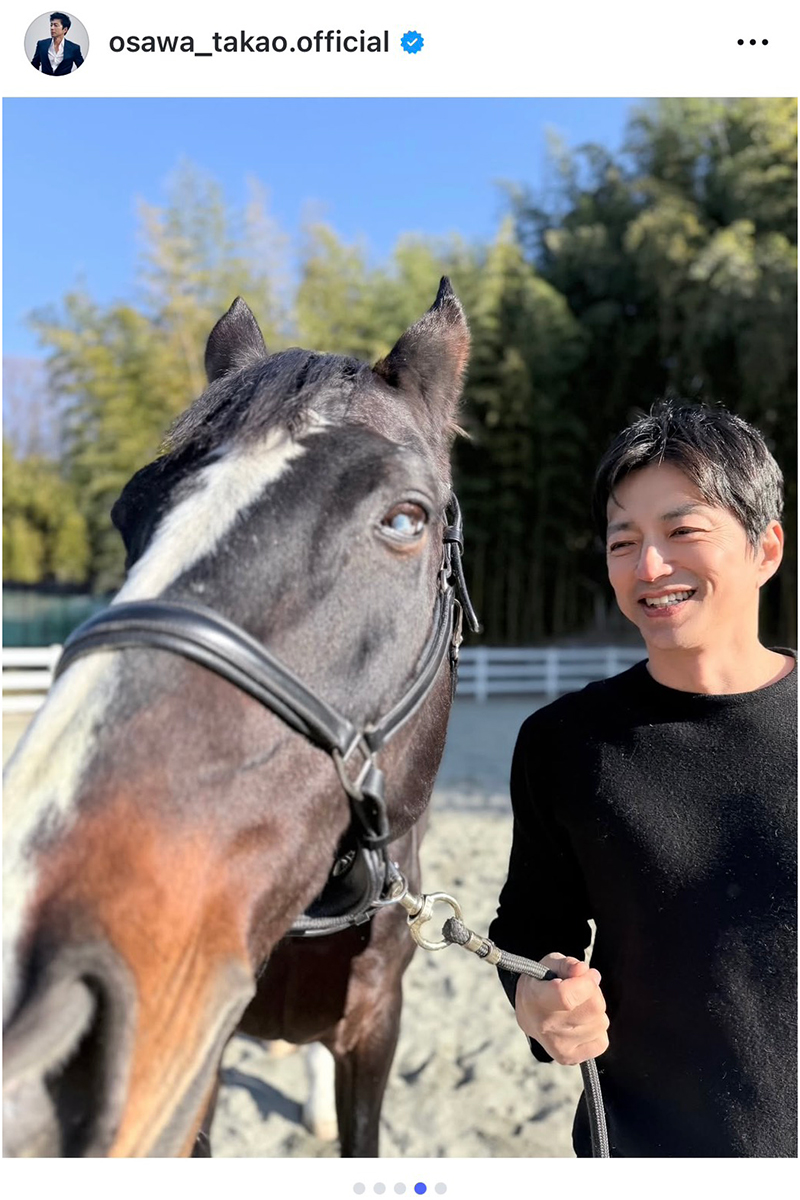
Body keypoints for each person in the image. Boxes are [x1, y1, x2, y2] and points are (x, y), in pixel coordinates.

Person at [489, 400, 796, 1157]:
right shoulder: (565, 743)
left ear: (765, 549)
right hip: (639, 1148)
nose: (649, 567)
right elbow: (530, 933)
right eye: (623, 541)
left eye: (683, 530)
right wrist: (537, 1001)